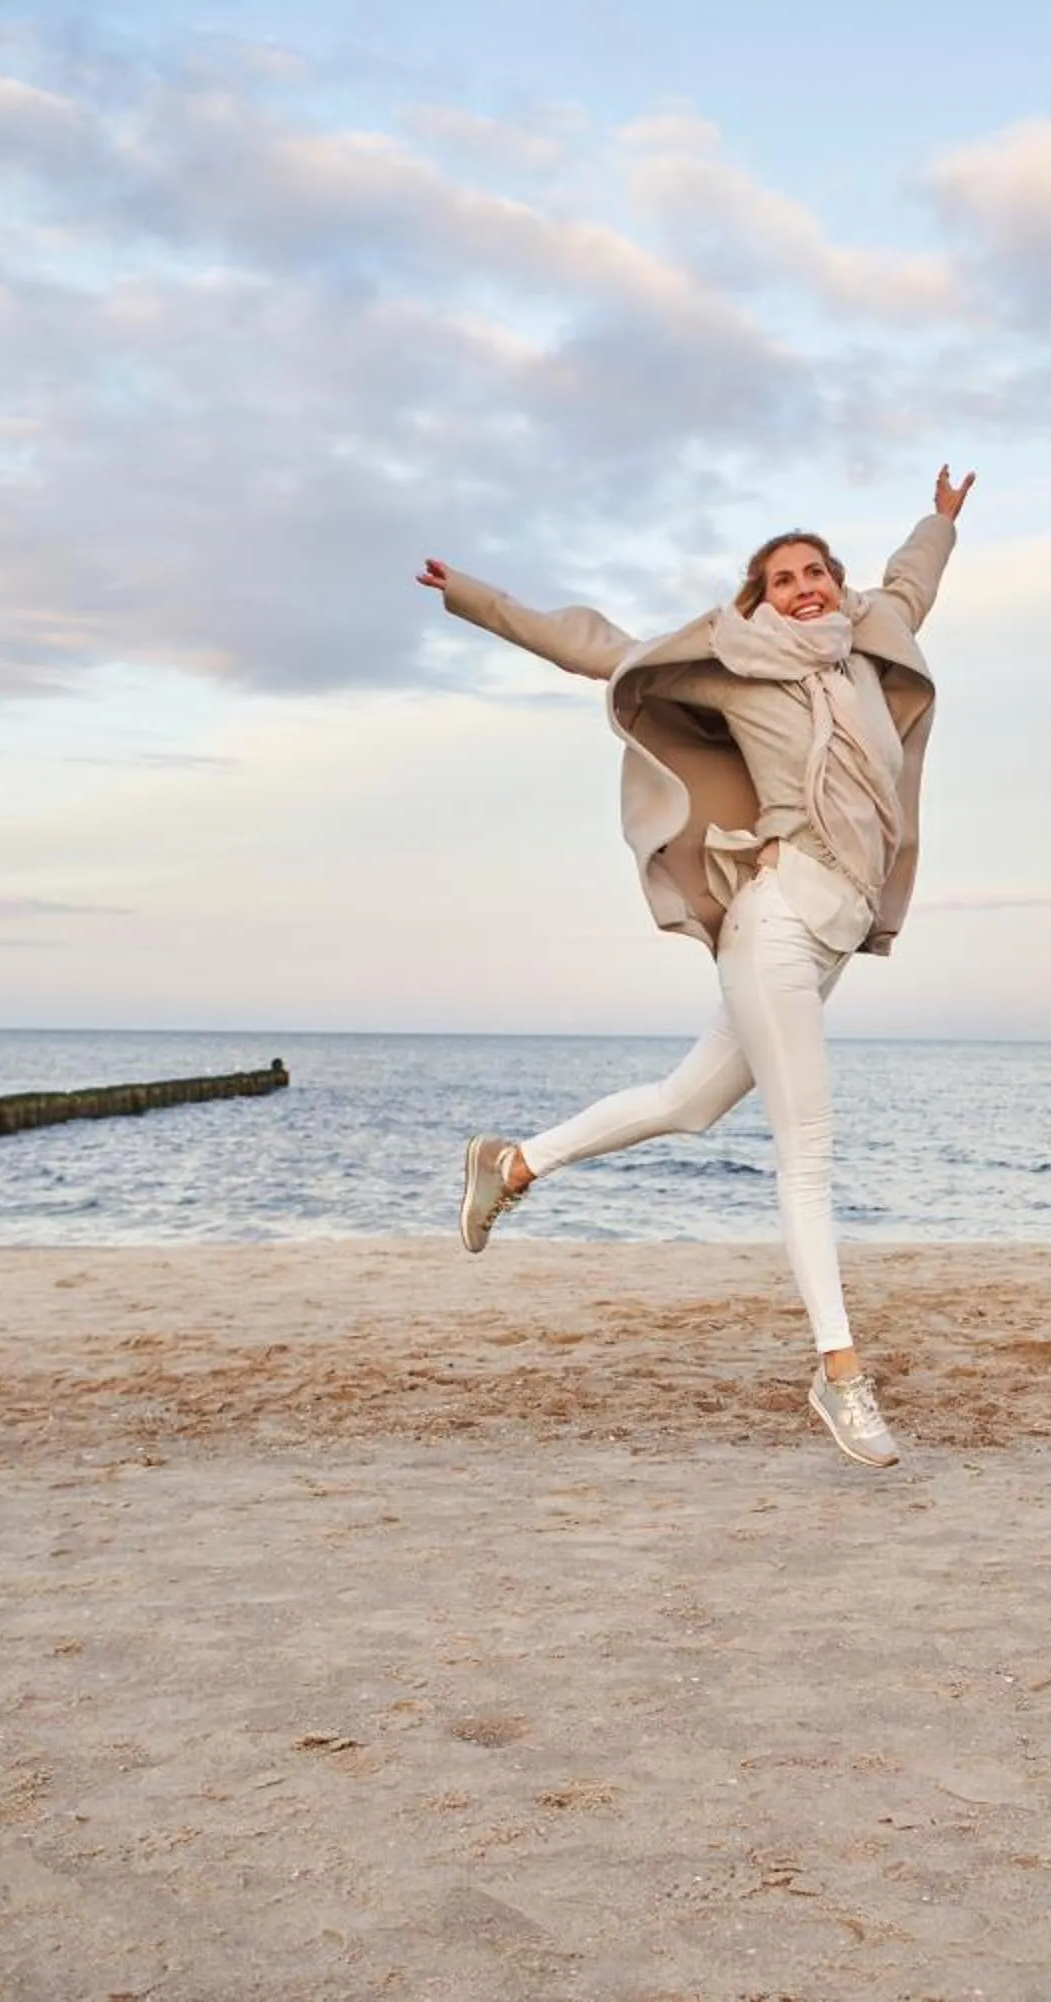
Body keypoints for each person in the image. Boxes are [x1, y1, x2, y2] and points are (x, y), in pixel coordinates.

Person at [415, 467, 977, 1469]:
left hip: (832, 935)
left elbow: (911, 584)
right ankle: (839, 1372)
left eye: (816, 574)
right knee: (806, 1150)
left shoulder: (866, 645)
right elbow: (601, 649)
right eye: (781, 579)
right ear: (756, 598)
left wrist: (938, 521)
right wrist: (475, 599)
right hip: (778, 922)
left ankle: (512, 1163)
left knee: (686, 1101)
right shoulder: (737, 659)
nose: (802, 589)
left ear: (836, 587)